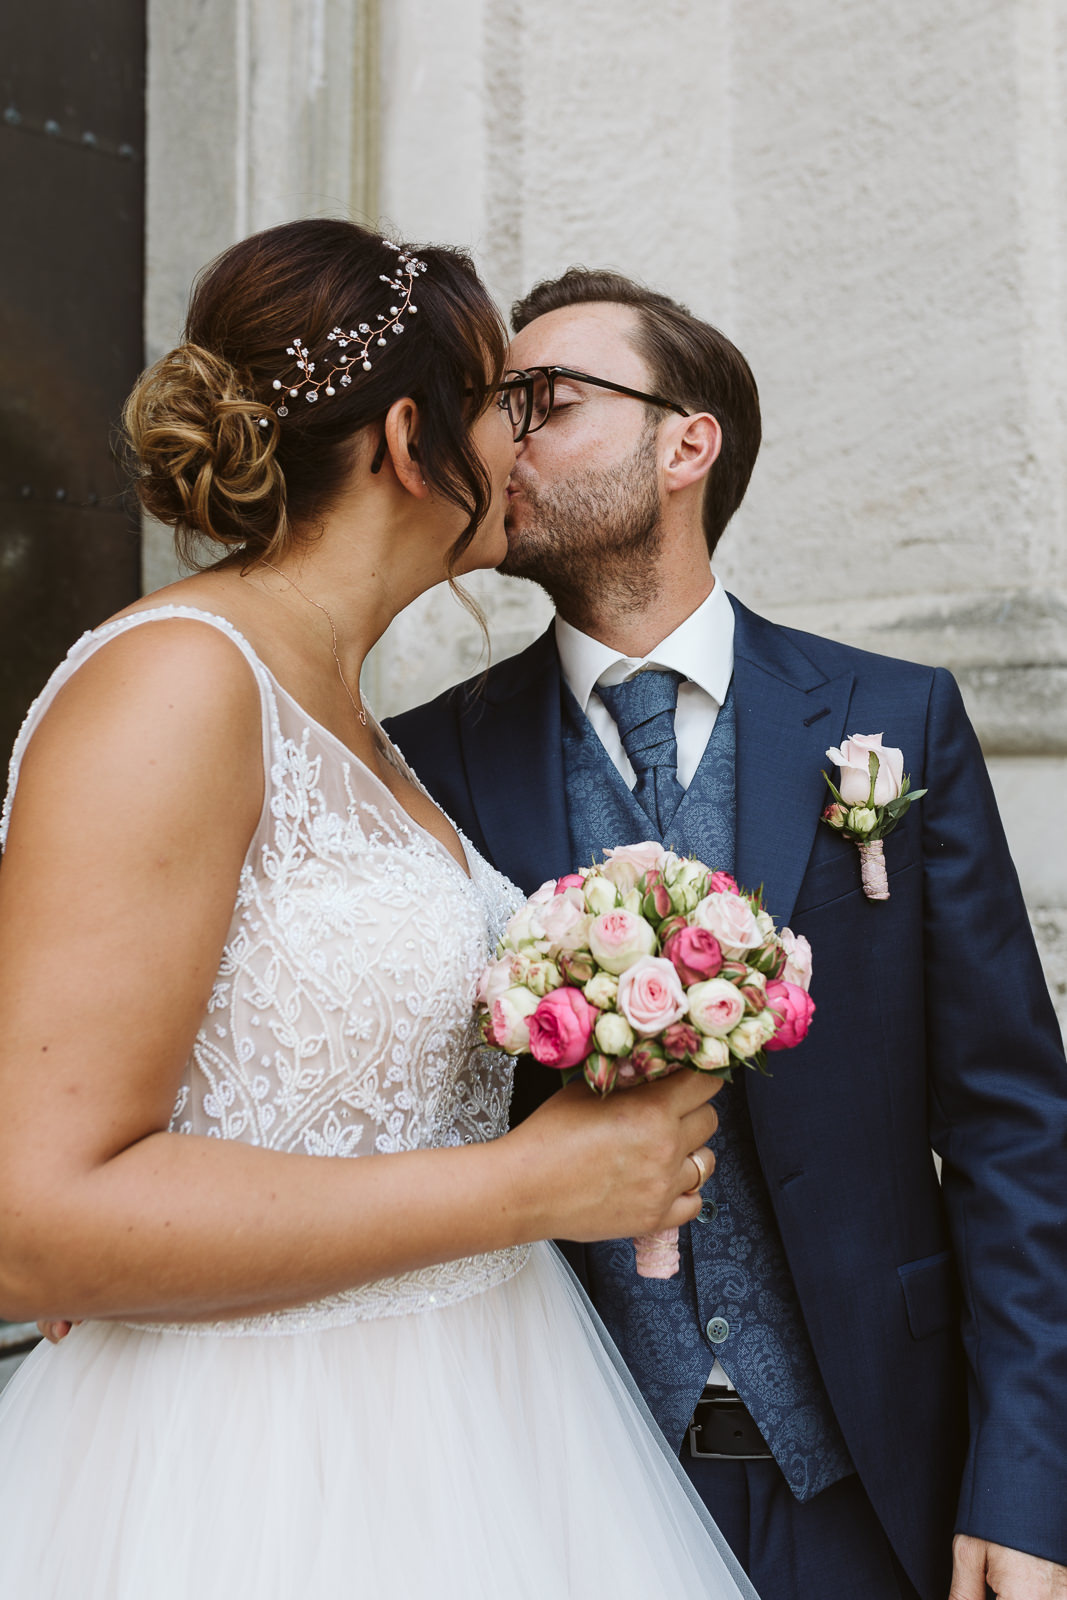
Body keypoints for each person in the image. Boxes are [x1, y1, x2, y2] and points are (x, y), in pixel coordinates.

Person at [0, 222, 761, 1600]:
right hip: (250, 1476)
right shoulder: (174, 688)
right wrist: (528, 1189)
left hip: (491, 1427)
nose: (526, 447)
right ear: (414, 442)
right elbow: (30, 1222)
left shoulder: (360, 720)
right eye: (502, 407)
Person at [384, 268, 1067, 1600]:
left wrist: (1031, 1482)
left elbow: (1013, 1131)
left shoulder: (895, 720)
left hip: (875, 1477)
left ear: (684, 442)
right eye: (494, 406)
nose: (501, 443)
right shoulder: (435, 760)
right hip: (565, 1483)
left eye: (547, 402)